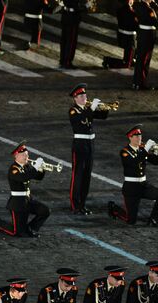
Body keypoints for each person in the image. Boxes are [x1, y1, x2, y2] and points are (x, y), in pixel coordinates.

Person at [108, 124, 158, 227]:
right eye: (136, 136)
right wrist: (146, 149)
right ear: (130, 137)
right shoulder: (125, 152)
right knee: (130, 220)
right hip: (131, 188)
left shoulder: (141, 149)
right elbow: (134, 162)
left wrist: (156, 151)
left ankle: (153, 219)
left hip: (143, 185)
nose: (140, 138)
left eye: (140, 136)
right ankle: (114, 208)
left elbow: (155, 162)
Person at [0, 141, 50, 237]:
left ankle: (31, 228)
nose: (26, 157)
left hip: (28, 200)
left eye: (27, 154)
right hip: (17, 203)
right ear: (16, 156)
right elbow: (23, 177)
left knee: (45, 211)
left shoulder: (26, 166)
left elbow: (39, 177)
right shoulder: (13, 169)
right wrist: (35, 168)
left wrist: (41, 168)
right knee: (17, 232)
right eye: (23, 155)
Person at [68, 83, 109, 214]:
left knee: (86, 176)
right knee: (77, 175)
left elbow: (103, 116)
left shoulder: (87, 109)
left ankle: (82, 204)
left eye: (85, 95)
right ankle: (75, 205)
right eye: (81, 96)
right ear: (75, 98)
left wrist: (105, 107)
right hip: (79, 145)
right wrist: (92, 108)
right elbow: (83, 117)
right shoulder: (74, 110)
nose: (84, 98)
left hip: (90, 145)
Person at [132, 0, 158, 90]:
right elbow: (155, 23)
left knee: (140, 59)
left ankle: (136, 82)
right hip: (147, 36)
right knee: (144, 60)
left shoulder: (140, 5)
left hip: (143, 34)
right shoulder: (147, 8)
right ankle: (141, 83)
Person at [102, 0, 137, 69]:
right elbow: (135, 24)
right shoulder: (131, 11)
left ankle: (109, 60)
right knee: (127, 64)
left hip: (123, 36)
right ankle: (109, 61)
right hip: (130, 38)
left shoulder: (121, 9)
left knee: (129, 60)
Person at [59, 0, 82, 68]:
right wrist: (87, 6)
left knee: (64, 40)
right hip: (73, 18)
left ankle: (62, 60)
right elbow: (77, 7)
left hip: (65, 16)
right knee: (71, 41)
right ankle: (67, 62)